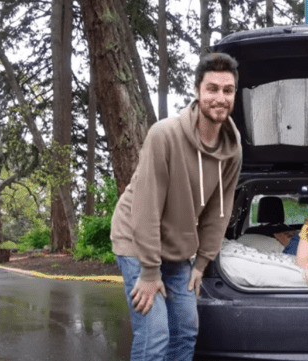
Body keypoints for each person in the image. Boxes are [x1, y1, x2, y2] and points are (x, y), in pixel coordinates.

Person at [110, 53, 242, 361]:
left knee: (185, 330)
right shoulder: (165, 134)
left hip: (178, 249)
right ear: (198, 91)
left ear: (235, 94)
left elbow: (218, 212)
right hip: (136, 240)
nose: (220, 98)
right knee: (155, 333)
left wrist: (201, 262)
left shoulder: (232, 151)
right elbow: (147, 205)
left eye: (228, 90)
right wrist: (149, 271)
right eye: (212, 89)